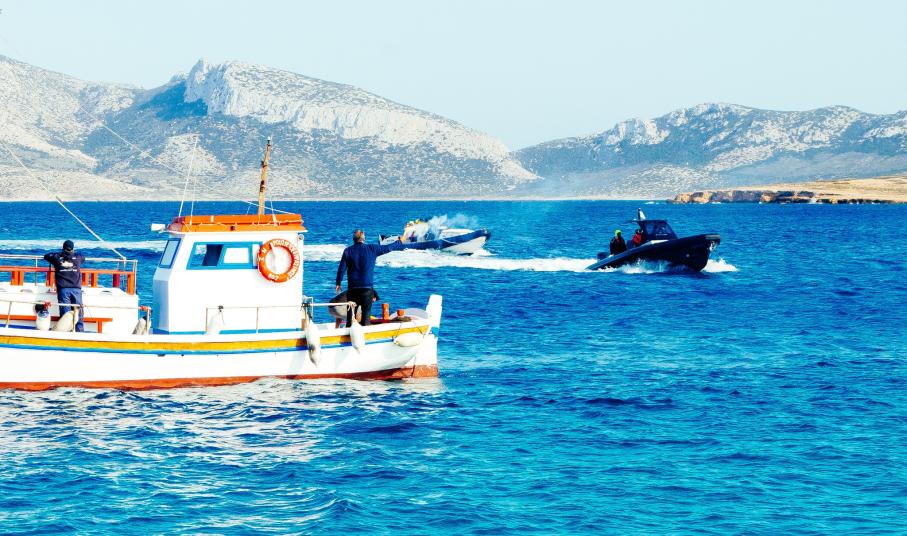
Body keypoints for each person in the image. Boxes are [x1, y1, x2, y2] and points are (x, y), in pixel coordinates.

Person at [335, 229, 405, 326]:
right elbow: (388, 248)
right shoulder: (372, 248)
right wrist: (399, 242)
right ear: (363, 238)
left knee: (350, 319)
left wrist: (338, 283)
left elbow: (341, 269)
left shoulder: (347, 251)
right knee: (366, 319)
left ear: (353, 239)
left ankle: (348, 334)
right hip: (367, 290)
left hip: (352, 290)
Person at [44, 240, 85, 332]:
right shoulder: (78, 257)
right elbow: (83, 257)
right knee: (79, 312)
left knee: (65, 314)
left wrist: (59, 254)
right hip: (76, 289)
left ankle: (66, 332)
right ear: (73, 249)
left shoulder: (57, 257)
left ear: (63, 248)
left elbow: (46, 256)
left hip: (63, 289)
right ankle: (80, 331)